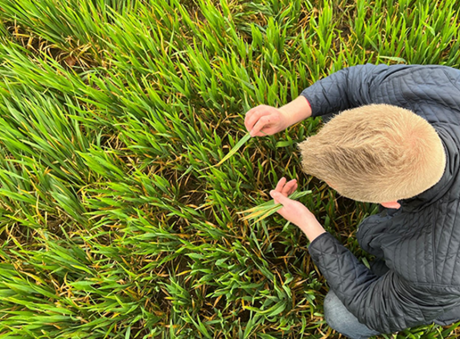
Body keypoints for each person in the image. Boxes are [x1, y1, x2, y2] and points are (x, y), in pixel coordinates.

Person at [244, 63, 460, 339]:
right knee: (334, 116)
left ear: (389, 199)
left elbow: (374, 309)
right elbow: (351, 82)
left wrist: (310, 226)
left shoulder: (436, 275)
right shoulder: (440, 85)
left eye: (332, 185)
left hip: (447, 276)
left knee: (340, 313)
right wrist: (285, 115)